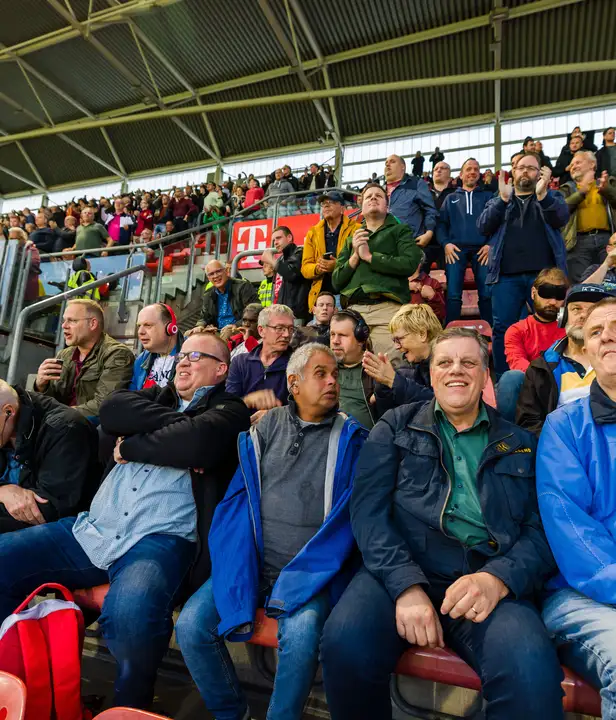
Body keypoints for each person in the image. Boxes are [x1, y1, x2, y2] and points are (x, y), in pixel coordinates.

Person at [321, 327, 564, 720]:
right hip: (400, 569)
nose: (456, 370)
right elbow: (368, 513)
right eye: (445, 362)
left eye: (469, 362)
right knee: (345, 643)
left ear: (486, 375)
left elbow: (540, 532)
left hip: (485, 578)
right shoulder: (394, 426)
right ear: (431, 374)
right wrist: (405, 585)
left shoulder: (521, 443)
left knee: (530, 672)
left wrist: (498, 579)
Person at [0, 332, 250, 709]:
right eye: (182, 354)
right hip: (95, 527)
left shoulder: (230, 411)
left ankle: (129, 707)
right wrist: (182, 430)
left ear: (221, 369)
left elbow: (199, 443)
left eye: (197, 356)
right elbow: (114, 410)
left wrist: (133, 444)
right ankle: (19, 686)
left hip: (160, 538)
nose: (184, 361)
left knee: (131, 615)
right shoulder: (158, 395)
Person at [176, 342, 366, 720]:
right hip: (253, 562)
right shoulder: (266, 427)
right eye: (321, 374)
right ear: (293, 383)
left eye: (335, 375)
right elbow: (237, 500)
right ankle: (233, 714)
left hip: (309, 574)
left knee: (302, 633)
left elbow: (348, 524)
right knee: (191, 627)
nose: (332, 382)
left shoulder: (352, 439)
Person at [538, 297, 616, 720]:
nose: (608, 337)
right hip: (581, 594)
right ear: (585, 351)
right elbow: (571, 529)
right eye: (597, 331)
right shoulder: (564, 426)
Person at [478, 152, 568, 377]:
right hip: (506, 276)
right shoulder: (499, 199)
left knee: (554, 323)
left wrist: (543, 196)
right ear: (513, 172)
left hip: (544, 277)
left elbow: (561, 218)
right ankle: (505, 379)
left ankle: (557, 376)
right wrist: (502, 199)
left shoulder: (552, 197)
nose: (525, 171)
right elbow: (483, 226)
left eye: (531, 167)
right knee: (502, 329)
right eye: (521, 167)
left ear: (540, 174)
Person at [332, 183, 422, 356]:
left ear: (387, 206)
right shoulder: (351, 238)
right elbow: (336, 281)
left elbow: (410, 263)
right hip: (353, 311)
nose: (373, 198)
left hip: (388, 309)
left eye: (378, 196)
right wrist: (355, 256)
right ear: (362, 206)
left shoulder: (400, 230)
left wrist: (369, 257)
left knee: (390, 363)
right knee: (346, 363)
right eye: (368, 196)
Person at [0, 381, 99, 534]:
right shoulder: (6, 420)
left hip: (67, 525)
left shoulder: (65, 428)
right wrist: (2, 491)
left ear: (9, 411)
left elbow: (50, 509)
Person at [516, 283, 613, 435]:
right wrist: (562, 443)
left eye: (591, 310)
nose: (583, 315)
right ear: (563, 317)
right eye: (576, 309)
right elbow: (529, 423)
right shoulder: (541, 367)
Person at [33, 298, 134, 419]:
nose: (64, 326)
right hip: (60, 421)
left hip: (89, 425)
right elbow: (52, 400)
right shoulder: (64, 355)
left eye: (72, 321)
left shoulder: (116, 353)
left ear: (92, 324)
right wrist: (41, 386)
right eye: (64, 320)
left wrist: (59, 415)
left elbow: (104, 404)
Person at [495, 268, 568, 422]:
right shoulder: (517, 330)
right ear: (533, 293)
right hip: (533, 388)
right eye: (546, 294)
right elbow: (517, 363)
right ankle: (509, 432)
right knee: (511, 379)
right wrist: (545, 379)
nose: (552, 302)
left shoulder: (571, 329)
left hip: (567, 386)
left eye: (559, 295)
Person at [438, 158, 494, 324]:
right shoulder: (450, 198)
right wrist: (446, 244)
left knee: (486, 294)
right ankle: (451, 330)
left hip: (482, 249)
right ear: (461, 175)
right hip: (456, 249)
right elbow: (441, 225)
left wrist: (490, 244)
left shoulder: (488, 197)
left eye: (476, 169)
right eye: (469, 169)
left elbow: (498, 223)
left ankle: (490, 331)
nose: (472, 172)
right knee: (453, 295)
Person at [363, 302, 439, 413]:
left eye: (399, 339)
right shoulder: (416, 367)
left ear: (422, 334)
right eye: (394, 341)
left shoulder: (449, 363)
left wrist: (393, 380)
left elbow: (440, 404)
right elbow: (388, 413)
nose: (396, 347)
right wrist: (382, 386)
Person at [226, 304, 295, 420]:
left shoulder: (297, 365)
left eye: (291, 329)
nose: (287, 334)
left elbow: (305, 410)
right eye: (279, 328)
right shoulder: (240, 362)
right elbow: (227, 407)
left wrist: (275, 415)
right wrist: (248, 400)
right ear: (261, 330)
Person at [558, 150, 616, 283]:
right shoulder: (566, 189)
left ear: (592, 164)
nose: (573, 167)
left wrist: (607, 190)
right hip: (577, 242)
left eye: (577, 162)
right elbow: (561, 210)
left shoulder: (608, 183)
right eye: (571, 165)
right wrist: (581, 192)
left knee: (610, 281)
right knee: (579, 284)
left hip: (607, 240)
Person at [301, 190, 359, 311]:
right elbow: (305, 268)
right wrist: (319, 267)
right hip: (321, 298)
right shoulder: (312, 232)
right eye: (323, 204)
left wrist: (337, 265)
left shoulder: (356, 229)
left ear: (342, 208)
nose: (326, 206)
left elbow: (361, 261)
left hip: (348, 294)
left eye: (331, 202)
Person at [385, 155, 438, 268]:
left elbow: (430, 209)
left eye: (392, 162)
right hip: (385, 247)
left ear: (403, 167)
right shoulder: (379, 191)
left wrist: (429, 233)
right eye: (386, 163)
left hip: (410, 244)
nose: (387, 165)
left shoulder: (416, 183)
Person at [330, 310, 376, 429]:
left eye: (342, 335)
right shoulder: (325, 368)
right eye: (332, 334)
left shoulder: (377, 371)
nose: (335, 341)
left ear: (360, 339)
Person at [262, 226, 311, 323]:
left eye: (278, 238)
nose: (275, 242)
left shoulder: (300, 252)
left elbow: (291, 273)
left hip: (296, 315)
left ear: (289, 237)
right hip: (282, 314)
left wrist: (271, 260)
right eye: (274, 240)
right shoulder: (280, 259)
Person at [129, 303, 182, 390]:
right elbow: (133, 394)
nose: (140, 332)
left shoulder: (190, 355)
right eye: (139, 326)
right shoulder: (141, 360)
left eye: (148, 325)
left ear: (170, 328)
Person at [197, 259, 259, 331]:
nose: (215, 276)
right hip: (217, 330)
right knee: (190, 334)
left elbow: (254, 311)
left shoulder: (243, 287)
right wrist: (200, 326)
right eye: (211, 274)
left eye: (218, 271)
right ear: (208, 278)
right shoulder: (208, 294)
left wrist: (236, 325)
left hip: (239, 329)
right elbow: (204, 317)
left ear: (226, 271)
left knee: (227, 332)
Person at [9, 227, 40, 303]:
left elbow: (33, 265)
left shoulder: (31, 250)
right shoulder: (9, 251)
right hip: (9, 293)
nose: (12, 241)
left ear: (22, 238)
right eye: (10, 239)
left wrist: (18, 256)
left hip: (25, 292)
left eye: (15, 239)